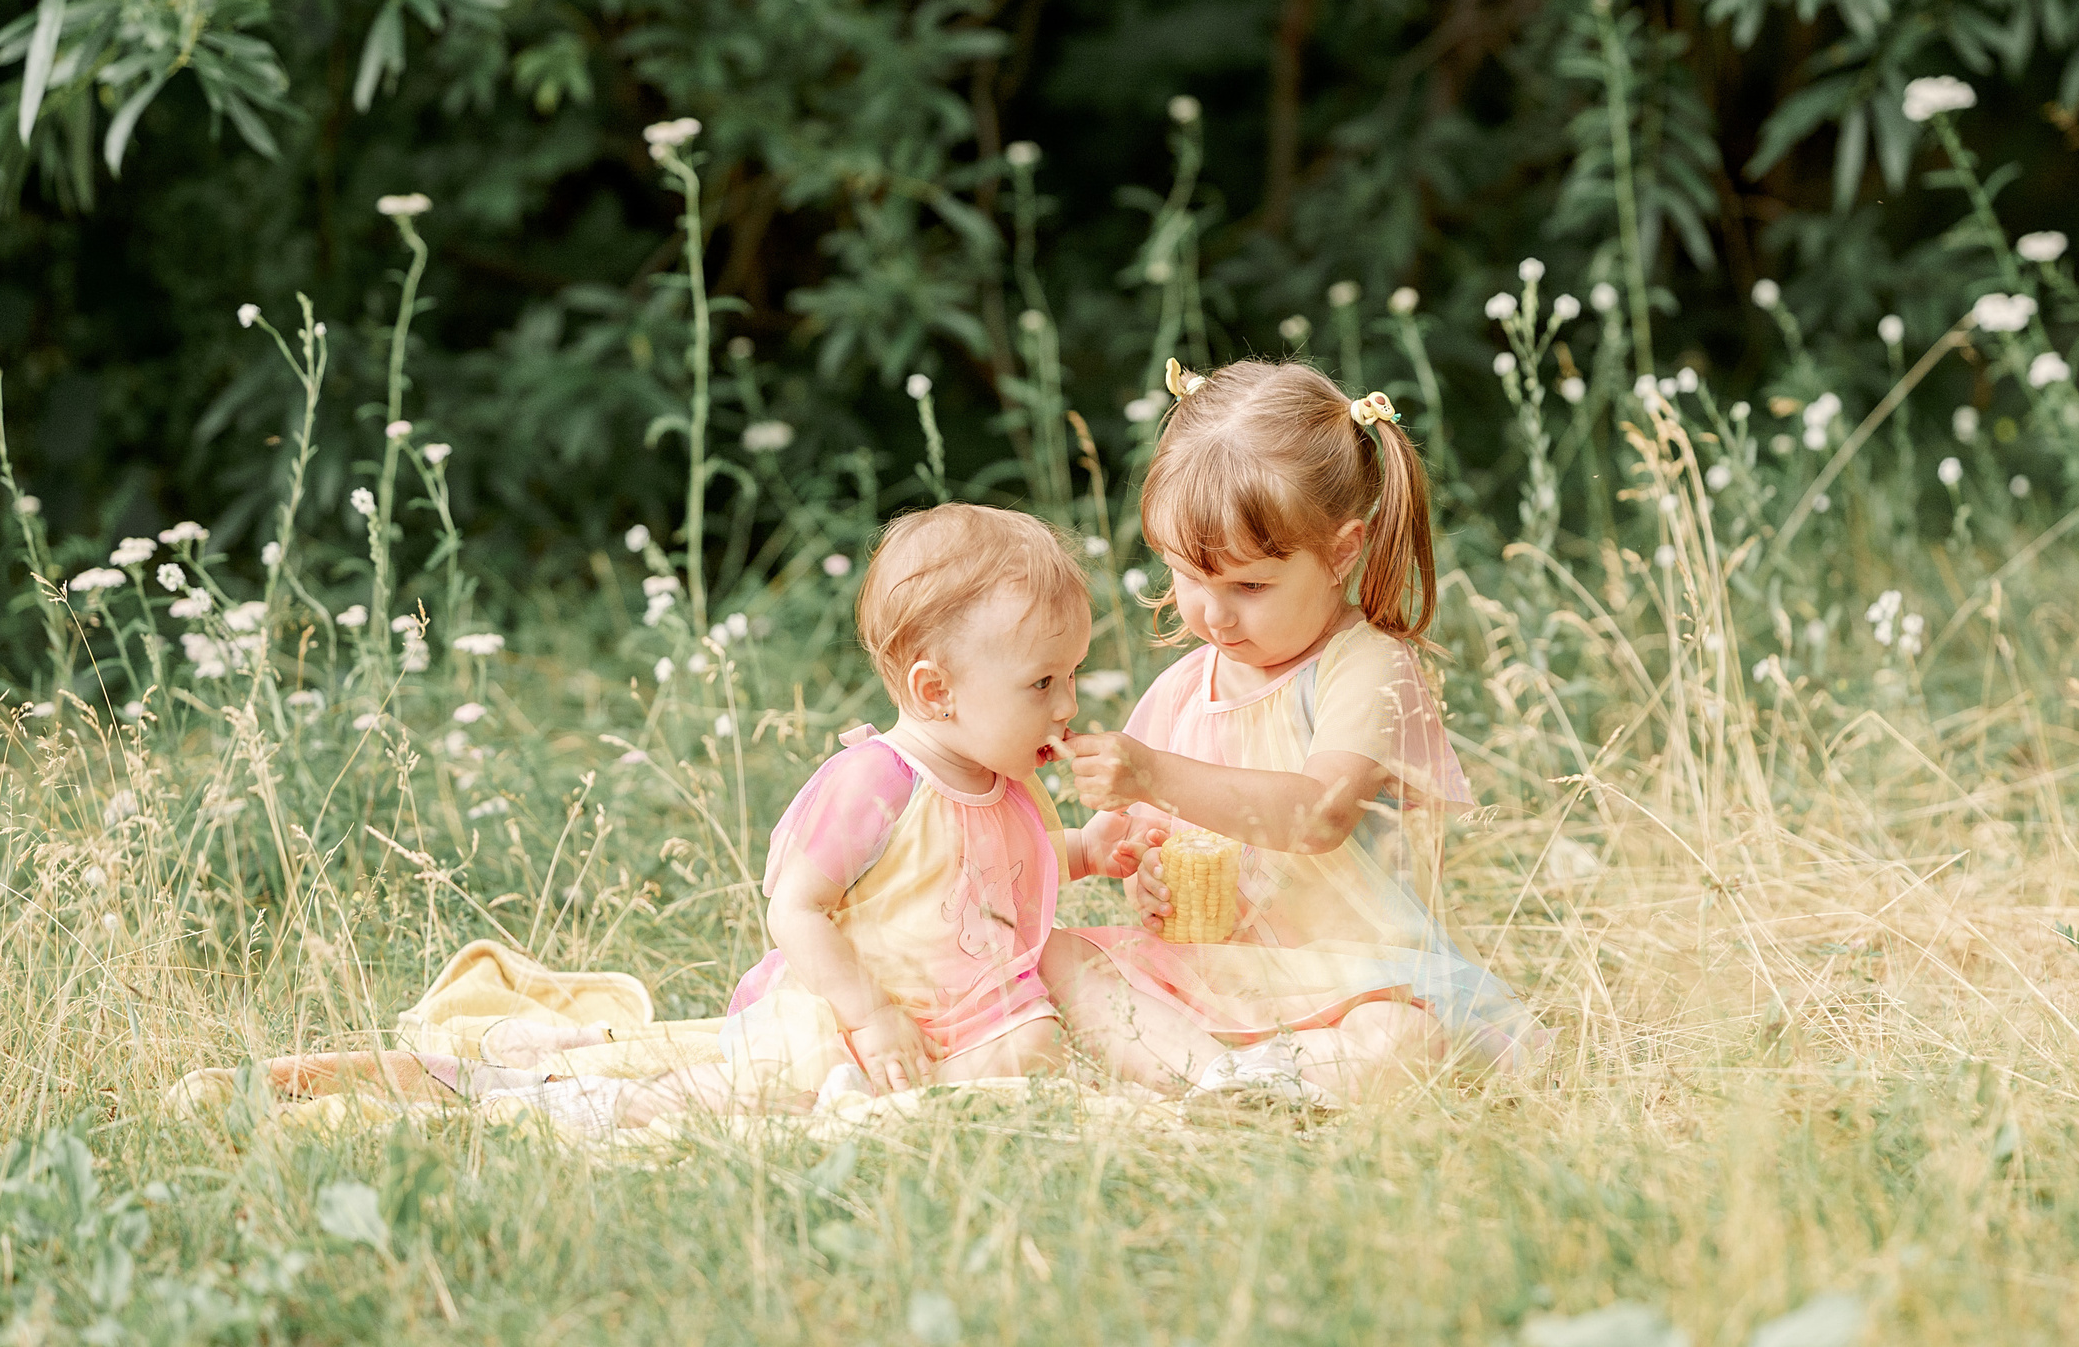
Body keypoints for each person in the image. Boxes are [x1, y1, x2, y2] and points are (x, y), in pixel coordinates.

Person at [1042, 358, 1541, 1105]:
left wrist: (1152, 773)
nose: (1211, 615)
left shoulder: (1364, 665)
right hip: (1213, 976)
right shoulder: (1185, 688)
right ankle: (1214, 1078)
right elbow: (1131, 845)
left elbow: (1319, 814)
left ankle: (1258, 1079)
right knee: (1059, 956)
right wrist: (1144, 879)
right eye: (1187, 575)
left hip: (1354, 975)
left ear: (1341, 551)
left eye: (1249, 585)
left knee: (1403, 1041)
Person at [612, 504, 1156, 1120]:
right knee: (777, 1087)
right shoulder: (879, 782)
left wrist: (1088, 851)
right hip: (856, 1012)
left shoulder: (1004, 776)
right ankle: (631, 1104)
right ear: (936, 691)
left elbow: (994, 874)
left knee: (1038, 1043)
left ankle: (899, 1106)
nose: (1067, 705)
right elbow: (795, 907)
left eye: (1072, 674)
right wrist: (870, 1015)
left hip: (961, 1009)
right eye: (1042, 683)